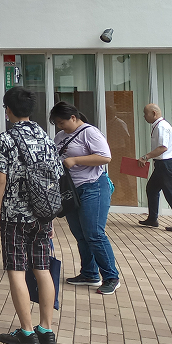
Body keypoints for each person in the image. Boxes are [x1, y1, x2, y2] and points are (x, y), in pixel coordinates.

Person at [0, 87, 62, 344]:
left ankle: (27, 332)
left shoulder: (6, 139)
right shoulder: (45, 137)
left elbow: (1, 178)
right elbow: (55, 176)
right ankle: (46, 329)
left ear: (8, 110)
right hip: (43, 214)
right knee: (42, 269)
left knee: (17, 270)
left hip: (15, 216)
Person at [50, 102, 121, 295]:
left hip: (93, 187)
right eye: (57, 123)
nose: (60, 126)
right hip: (71, 190)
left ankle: (111, 277)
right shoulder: (60, 136)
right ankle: (89, 274)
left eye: (62, 122)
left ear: (73, 117)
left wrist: (75, 160)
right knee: (80, 234)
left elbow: (105, 157)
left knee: (94, 234)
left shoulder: (90, 132)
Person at [138, 104, 172, 230]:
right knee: (151, 189)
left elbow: (163, 148)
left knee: (170, 193)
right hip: (161, 165)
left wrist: (146, 156)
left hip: (165, 164)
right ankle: (152, 219)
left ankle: (153, 218)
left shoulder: (161, 127)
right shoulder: (158, 126)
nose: (144, 116)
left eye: (145, 113)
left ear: (154, 113)